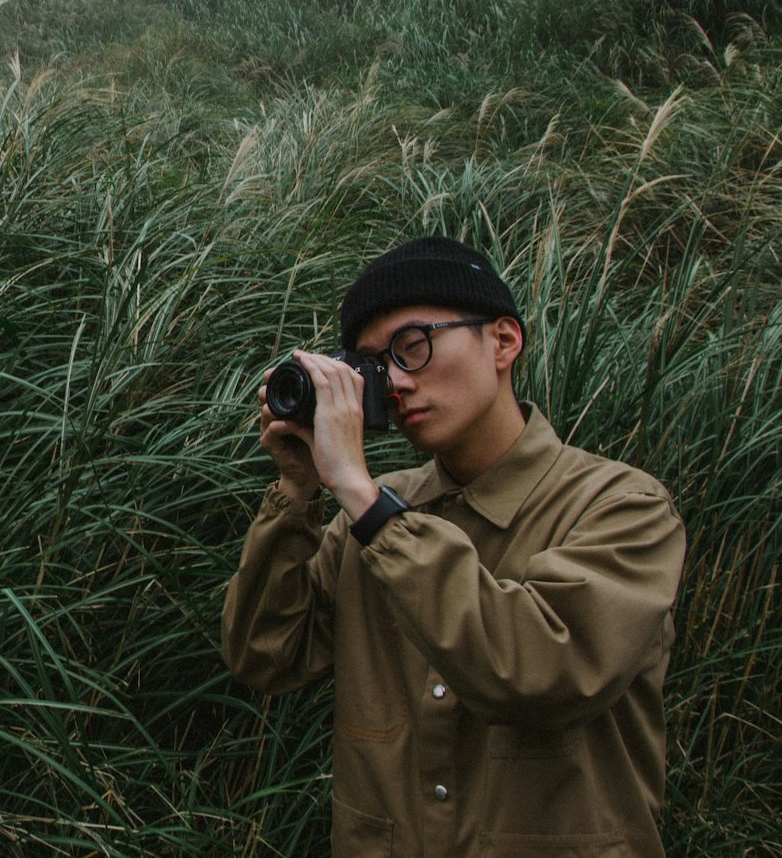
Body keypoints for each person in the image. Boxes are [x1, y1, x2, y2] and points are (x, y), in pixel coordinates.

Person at [221, 236, 685, 857]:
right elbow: (264, 657)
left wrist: (363, 500)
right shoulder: (378, 508)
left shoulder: (624, 507)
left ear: (503, 341)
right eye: (372, 367)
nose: (394, 385)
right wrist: (298, 490)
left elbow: (541, 671)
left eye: (412, 347)